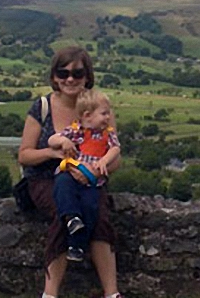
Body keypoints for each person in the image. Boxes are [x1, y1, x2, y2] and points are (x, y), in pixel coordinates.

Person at [18, 46, 123, 298]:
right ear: (54, 77)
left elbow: (116, 157)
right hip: (44, 178)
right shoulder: (42, 107)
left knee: (98, 215)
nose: (70, 79)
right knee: (65, 212)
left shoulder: (101, 109)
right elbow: (24, 155)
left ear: (87, 76)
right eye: (62, 73)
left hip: (89, 180)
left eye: (77, 73)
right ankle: (50, 294)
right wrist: (52, 154)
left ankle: (112, 293)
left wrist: (97, 170)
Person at [49, 89, 121, 263]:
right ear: (88, 115)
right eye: (104, 113)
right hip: (71, 172)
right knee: (62, 186)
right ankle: (71, 217)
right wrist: (64, 141)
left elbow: (115, 148)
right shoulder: (75, 130)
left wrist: (104, 160)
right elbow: (52, 140)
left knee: (90, 207)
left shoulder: (107, 133)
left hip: (92, 180)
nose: (108, 117)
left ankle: (77, 246)